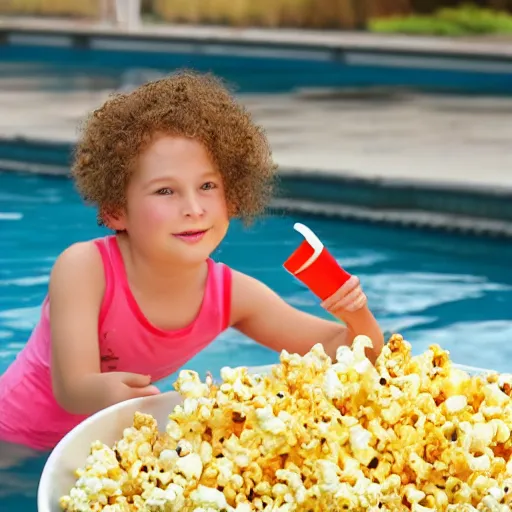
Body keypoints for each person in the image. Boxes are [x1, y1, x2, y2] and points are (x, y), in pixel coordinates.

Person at [0, 70, 384, 453]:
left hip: (103, 449)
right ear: (118, 210)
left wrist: (356, 315)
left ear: (232, 195)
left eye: (207, 186)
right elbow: (72, 390)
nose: (194, 208)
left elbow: (348, 352)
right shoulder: (85, 268)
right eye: (165, 190)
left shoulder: (232, 295)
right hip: (13, 433)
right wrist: (115, 393)